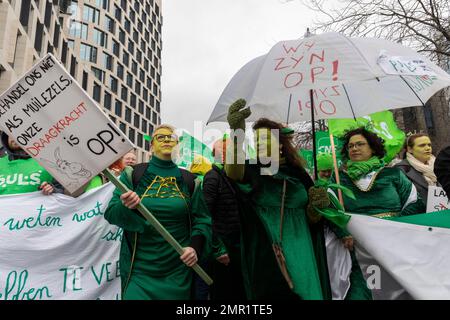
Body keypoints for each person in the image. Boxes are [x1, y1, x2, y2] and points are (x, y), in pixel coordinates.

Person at [224, 99, 331, 300]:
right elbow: (232, 172)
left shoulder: (300, 175)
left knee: (306, 290)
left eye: (265, 139)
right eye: (256, 141)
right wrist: (237, 133)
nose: (258, 144)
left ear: (281, 145)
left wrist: (316, 208)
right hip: (267, 244)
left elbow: (314, 220)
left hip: (301, 244)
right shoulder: (252, 169)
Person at [104, 124, 211, 300]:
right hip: (139, 272)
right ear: (151, 145)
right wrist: (125, 205)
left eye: (171, 137)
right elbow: (111, 213)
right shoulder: (132, 175)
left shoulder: (191, 180)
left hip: (178, 273)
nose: (167, 140)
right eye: (161, 137)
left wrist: (195, 248)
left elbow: (202, 220)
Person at [327, 127, 426, 300]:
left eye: (360, 144)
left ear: (372, 148)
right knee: (360, 292)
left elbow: (415, 202)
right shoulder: (338, 179)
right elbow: (329, 208)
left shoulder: (393, 174)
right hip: (357, 250)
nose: (354, 149)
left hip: (393, 247)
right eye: (350, 146)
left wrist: (392, 227)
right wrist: (343, 232)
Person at [203, 137, 247, 300]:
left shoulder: (236, 177)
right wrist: (217, 248)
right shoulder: (212, 177)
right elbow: (205, 215)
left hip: (240, 247)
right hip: (224, 251)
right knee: (224, 293)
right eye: (222, 151)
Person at [395, 134, 439, 207]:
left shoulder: (439, 165)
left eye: (429, 145)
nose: (428, 148)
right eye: (422, 145)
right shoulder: (400, 170)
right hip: (420, 216)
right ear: (410, 149)